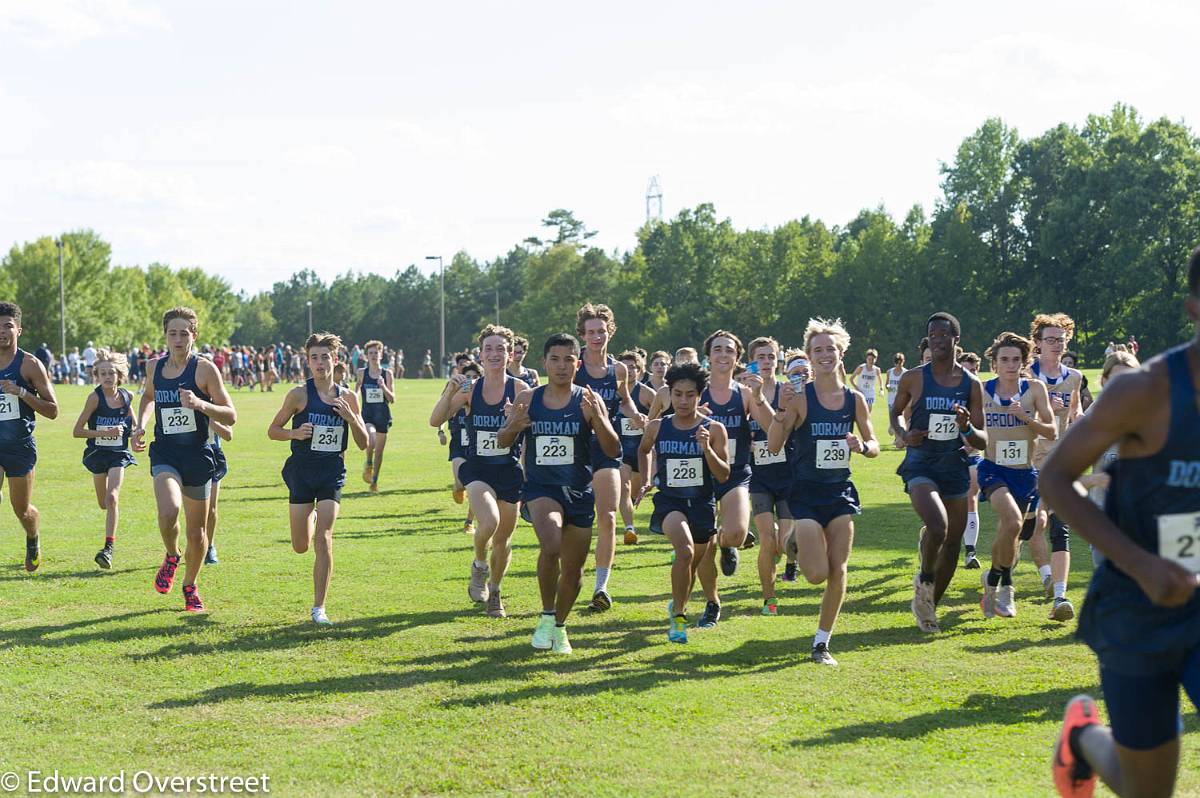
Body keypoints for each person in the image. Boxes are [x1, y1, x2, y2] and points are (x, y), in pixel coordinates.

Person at [1047, 247, 1200, 798]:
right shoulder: (1145, 391)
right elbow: (1055, 477)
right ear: (1193, 310)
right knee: (1147, 791)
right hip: (1138, 604)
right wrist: (1140, 565)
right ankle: (1083, 739)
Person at [499, 333, 620, 654]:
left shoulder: (587, 399)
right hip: (541, 488)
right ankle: (547, 614)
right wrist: (514, 427)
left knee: (575, 570)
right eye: (555, 359)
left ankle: (559, 626)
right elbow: (502, 440)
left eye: (569, 359)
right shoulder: (528, 398)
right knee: (551, 543)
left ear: (577, 364)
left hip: (579, 492)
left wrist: (599, 419)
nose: (562, 366)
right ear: (545, 362)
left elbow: (613, 448)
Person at [767, 320, 878, 664]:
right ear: (810, 358)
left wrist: (862, 446)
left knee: (839, 569)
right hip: (805, 493)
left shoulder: (855, 399)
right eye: (818, 350)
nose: (825, 354)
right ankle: (791, 542)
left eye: (831, 348)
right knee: (816, 575)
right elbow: (773, 446)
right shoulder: (801, 399)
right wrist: (782, 411)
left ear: (841, 353)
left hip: (840, 492)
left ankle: (821, 643)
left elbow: (874, 444)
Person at [134, 307, 237, 612]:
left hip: (198, 456)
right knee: (169, 511)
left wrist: (200, 403)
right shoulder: (155, 367)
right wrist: (141, 423)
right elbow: (148, 396)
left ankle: (190, 585)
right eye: (172, 333)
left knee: (197, 532)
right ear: (165, 335)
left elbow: (230, 414)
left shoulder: (204, 370)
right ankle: (170, 555)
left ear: (194, 335)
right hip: (166, 452)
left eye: (183, 333)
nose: (177, 339)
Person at [890, 312, 987, 633]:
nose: (938, 340)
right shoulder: (914, 378)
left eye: (944, 335)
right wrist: (904, 434)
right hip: (920, 462)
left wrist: (966, 426)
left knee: (954, 543)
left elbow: (981, 440)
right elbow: (895, 413)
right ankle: (926, 578)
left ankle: (929, 605)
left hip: (954, 466)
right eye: (933, 335)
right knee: (938, 525)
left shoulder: (971, 384)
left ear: (956, 339)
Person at [268, 333, 368, 625]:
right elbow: (273, 430)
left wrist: (352, 419)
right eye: (315, 357)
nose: (320, 362)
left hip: (331, 473)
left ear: (335, 361)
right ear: (307, 362)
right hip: (301, 471)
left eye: (326, 357)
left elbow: (363, 443)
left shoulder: (348, 397)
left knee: (324, 539)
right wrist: (294, 433)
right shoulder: (298, 394)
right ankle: (309, 519)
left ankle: (319, 608)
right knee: (301, 545)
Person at [430, 324, 524, 618]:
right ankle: (479, 565)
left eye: (500, 349)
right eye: (489, 349)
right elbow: (436, 420)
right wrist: (450, 390)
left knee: (504, 540)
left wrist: (516, 420)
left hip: (509, 470)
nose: (494, 354)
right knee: (489, 521)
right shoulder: (471, 389)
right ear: (480, 355)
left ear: (509, 354)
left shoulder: (521, 389)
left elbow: (532, 427)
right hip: (478, 469)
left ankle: (495, 592)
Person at [635, 362, 730, 643]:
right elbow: (643, 450)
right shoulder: (657, 426)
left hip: (701, 503)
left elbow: (723, 474)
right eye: (678, 394)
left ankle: (678, 602)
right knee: (685, 552)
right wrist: (647, 479)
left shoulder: (714, 429)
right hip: (670, 503)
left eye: (690, 395)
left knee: (691, 564)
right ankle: (678, 617)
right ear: (669, 395)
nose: (684, 401)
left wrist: (707, 449)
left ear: (700, 396)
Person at [693, 330, 775, 628]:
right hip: (699, 475)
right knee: (702, 545)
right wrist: (694, 417)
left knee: (738, 534)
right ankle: (712, 602)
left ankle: (725, 543)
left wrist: (759, 397)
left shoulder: (743, 393)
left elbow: (771, 428)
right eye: (718, 350)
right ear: (708, 356)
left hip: (735, 472)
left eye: (729, 350)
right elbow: (671, 424)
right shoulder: (696, 392)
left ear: (738, 358)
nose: (723, 355)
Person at [975, 333, 1056, 619]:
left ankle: (994, 578)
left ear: (1024, 362)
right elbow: (970, 431)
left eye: (1016, 360)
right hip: (993, 468)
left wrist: (1025, 418)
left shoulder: (1034, 389)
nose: (1010, 365)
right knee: (1011, 520)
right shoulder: (981, 390)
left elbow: (1051, 431)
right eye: (1004, 359)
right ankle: (1008, 588)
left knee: (1010, 532)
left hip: (1024, 472)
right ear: (994, 363)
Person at [572, 303, 646, 612]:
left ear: (609, 332)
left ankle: (601, 588)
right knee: (575, 522)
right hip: (575, 449)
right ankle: (570, 575)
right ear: (583, 335)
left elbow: (625, 402)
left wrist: (638, 416)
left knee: (609, 515)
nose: (596, 337)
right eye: (591, 332)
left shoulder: (619, 370)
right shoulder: (573, 367)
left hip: (607, 448)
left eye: (601, 331)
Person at [1028, 313, 1084, 621]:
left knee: (1061, 528)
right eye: (1050, 340)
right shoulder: (1024, 374)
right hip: (1028, 460)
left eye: (1061, 340)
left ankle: (1060, 595)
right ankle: (1046, 575)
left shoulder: (1073, 377)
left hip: (1060, 460)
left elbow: (1075, 414)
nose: (1056, 345)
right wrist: (1045, 404)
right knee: (1036, 524)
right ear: (1037, 343)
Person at [0, 303, 58, 572]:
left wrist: (21, 393)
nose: (1, 331)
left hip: (19, 447)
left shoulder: (30, 365)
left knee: (22, 510)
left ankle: (32, 537)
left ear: (18, 330)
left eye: (7, 326)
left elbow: (53, 410)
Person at [74, 351, 137, 569]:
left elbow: (135, 428)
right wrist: (105, 433)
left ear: (119, 374)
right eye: (103, 373)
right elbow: (77, 431)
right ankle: (109, 527)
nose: (108, 377)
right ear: (97, 376)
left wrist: (136, 437)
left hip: (118, 455)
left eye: (112, 372)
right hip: (98, 454)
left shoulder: (127, 397)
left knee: (112, 498)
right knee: (103, 503)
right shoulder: (94, 398)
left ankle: (108, 549)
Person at [746, 337, 796, 615]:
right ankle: (770, 600)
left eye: (770, 357)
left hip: (788, 475)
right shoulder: (744, 393)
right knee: (767, 540)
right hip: (759, 477)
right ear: (752, 361)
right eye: (760, 357)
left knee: (783, 542)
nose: (766, 362)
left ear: (778, 362)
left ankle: (791, 557)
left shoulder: (788, 392)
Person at [615, 350, 656, 546]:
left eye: (633, 367)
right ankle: (629, 528)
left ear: (639, 370)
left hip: (642, 450)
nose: (629, 371)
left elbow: (660, 421)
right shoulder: (612, 393)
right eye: (625, 367)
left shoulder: (647, 394)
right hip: (620, 449)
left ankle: (629, 508)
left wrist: (646, 424)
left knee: (637, 490)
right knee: (623, 485)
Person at [439, 361, 480, 533]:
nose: (470, 380)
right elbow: (439, 413)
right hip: (457, 444)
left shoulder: (481, 398)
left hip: (475, 447)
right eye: (467, 377)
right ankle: (457, 487)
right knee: (461, 483)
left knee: (474, 486)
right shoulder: (455, 396)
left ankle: (469, 522)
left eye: (475, 377)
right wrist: (440, 432)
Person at [357, 340, 395, 495]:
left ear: (381, 354)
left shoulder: (387, 374)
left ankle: (374, 481)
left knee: (379, 451)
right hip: (368, 413)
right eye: (370, 353)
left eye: (376, 353)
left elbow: (392, 398)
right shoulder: (361, 372)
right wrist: (354, 403)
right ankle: (368, 462)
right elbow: (357, 390)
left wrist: (383, 386)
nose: (373, 356)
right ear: (367, 356)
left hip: (383, 415)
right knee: (371, 441)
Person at [957, 351, 984, 569]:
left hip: (974, 455)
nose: (971, 374)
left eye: (974, 370)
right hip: (949, 455)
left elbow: (987, 430)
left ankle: (970, 551)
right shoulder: (950, 392)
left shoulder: (982, 394)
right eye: (967, 370)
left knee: (970, 496)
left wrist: (971, 446)